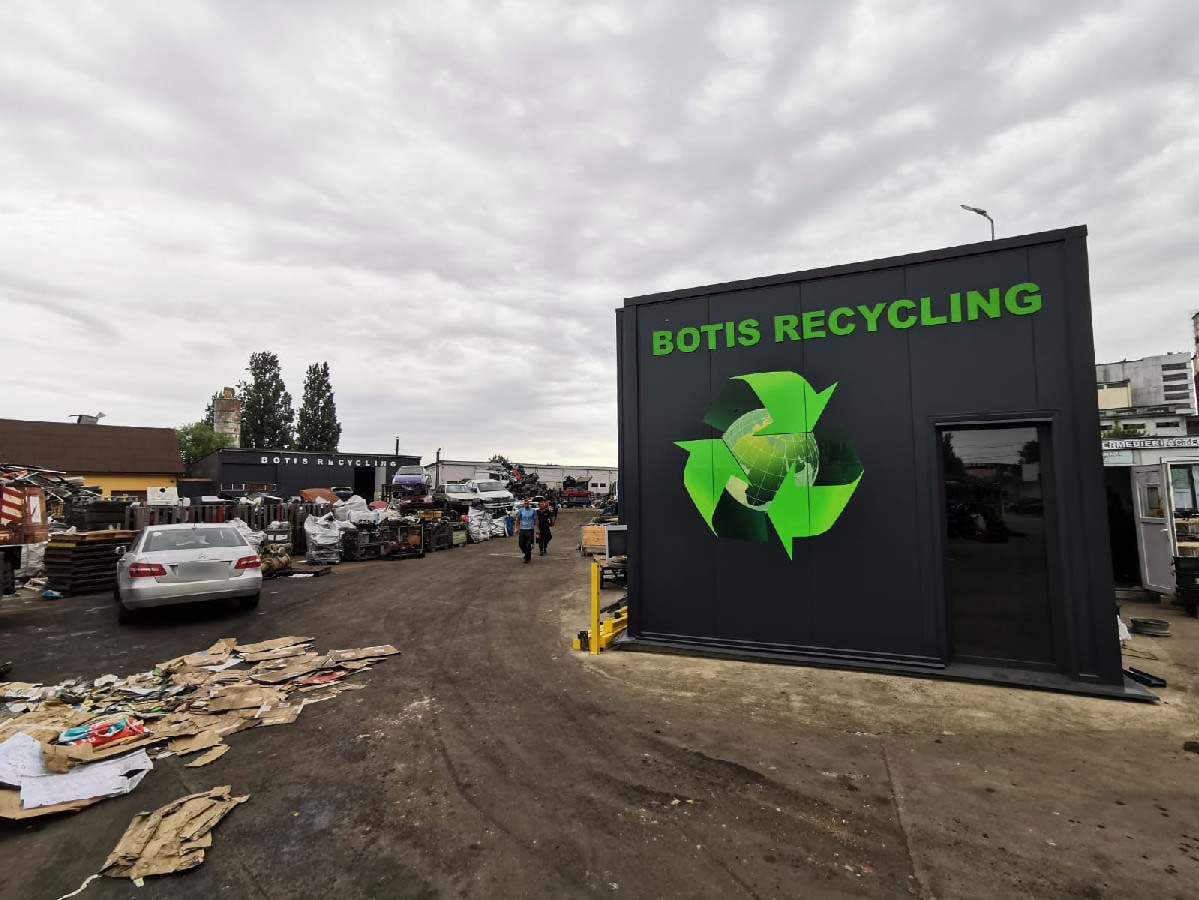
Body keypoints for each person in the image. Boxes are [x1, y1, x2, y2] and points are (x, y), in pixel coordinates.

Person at [515, 499, 537, 563]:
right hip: (522, 529)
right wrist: (516, 528)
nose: (526, 504)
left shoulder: (533, 511)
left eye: (527, 503)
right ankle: (526, 552)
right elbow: (517, 519)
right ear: (524, 504)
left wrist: (537, 528)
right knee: (521, 543)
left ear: (529, 504)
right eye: (525, 503)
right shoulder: (521, 510)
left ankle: (527, 558)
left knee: (528, 544)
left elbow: (536, 519)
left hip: (530, 529)